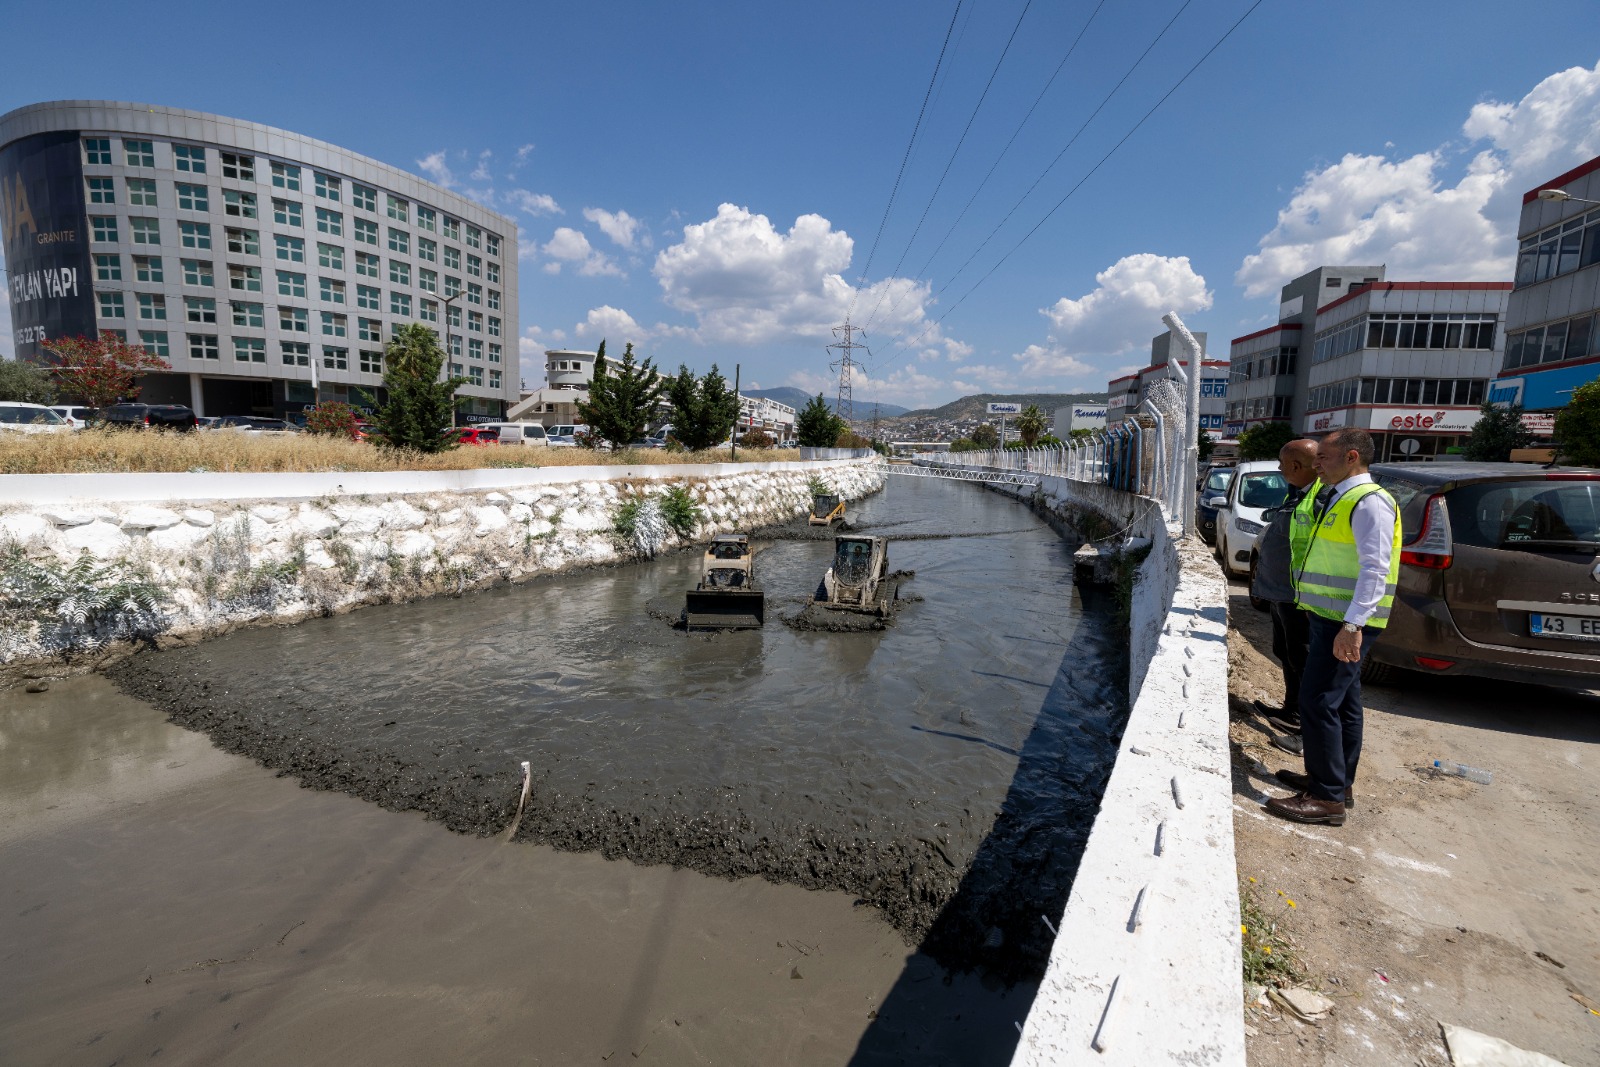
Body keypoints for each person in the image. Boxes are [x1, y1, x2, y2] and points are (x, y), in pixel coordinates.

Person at [1265, 427, 1401, 827]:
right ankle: (1335, 783)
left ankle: (1326, 799)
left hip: (1346, 620)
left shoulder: (1369, 502)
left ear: (1352, 457)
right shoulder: (1342, 497)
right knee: (1342, 701)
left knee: (1318, 700)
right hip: (1332, 616)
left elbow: (1375, 569)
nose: (1317, 463)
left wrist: (1353, 624)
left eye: (1324, 457)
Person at [1247, 439, 1318, 753]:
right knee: (1285, 651)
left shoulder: (1318, 499)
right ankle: (1290, 711)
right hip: (1281, 593)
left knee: (1302, 659)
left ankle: (1303, 725)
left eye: (1282, 462)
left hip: (1298, 597)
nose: (1278, 467)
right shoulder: (1297, 496)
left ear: (1297, 466)